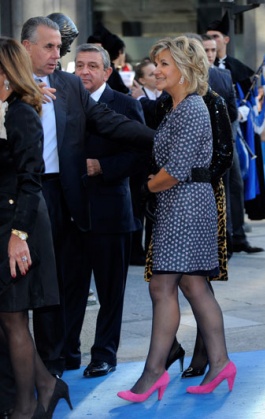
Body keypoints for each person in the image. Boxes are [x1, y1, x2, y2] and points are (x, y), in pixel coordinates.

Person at [20, 16, 154, 377]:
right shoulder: (8, 85)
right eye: (49, 46)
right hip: (18, 197)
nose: (57, 53)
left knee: (56, 286)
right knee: (24, 293)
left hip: (62, 196)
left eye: (58, 46)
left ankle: (54, 365)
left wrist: (158, 138)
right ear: (26, 47)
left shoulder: (67, 86)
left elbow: (109, 122)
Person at [117, 36, 234, 403]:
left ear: (186, 68)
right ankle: (220, 363)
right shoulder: (180, 107)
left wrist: (148, 187)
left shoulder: (192, 107)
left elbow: (177, 169)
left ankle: (154, 373)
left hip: (183, 206)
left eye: (165, 64)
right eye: (157, 63)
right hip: (183, 204)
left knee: (161, 287)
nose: (157, 70)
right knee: (192, 286)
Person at [0, 36, 72, 419]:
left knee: (14, 317)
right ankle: (47, 385)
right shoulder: (2, 110)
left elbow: (31, 179)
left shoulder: (21, 112)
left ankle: (28, 407)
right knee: (7, 316)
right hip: (5, 224)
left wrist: (18, 236)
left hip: (20, 225)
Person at [66, 43, 147, 378]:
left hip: (111, 213)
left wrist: (104, 166)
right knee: (69, 288)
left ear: (107, 72)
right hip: (70, 214)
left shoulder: (125, 104)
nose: (84, 72)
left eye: (91, 66)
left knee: (110, 291)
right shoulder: (62, 102)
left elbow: (141, 153)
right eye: (79, 65)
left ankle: (104, 354)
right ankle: (66, 353)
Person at [207, 14, 265, 251]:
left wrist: (245, 110)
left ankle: (237, 236)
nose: (211, 49)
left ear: (225, 40)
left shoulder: (232, 70)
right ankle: (225, 239)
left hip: (233, 135)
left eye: (215, 41)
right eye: (207, 44)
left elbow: (250, 100)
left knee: (236, 185)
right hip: (210, 140)